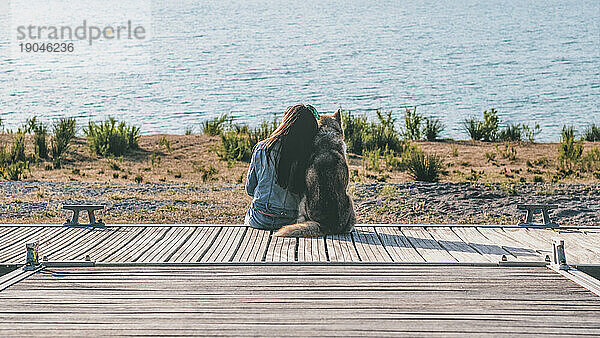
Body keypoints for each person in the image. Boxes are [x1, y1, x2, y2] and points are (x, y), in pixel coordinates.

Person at [244, 104, 319, 230]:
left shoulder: (263, 148)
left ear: (285, 123)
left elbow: (250, 189)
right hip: (292, 222)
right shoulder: (311, 154)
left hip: (260, 218)